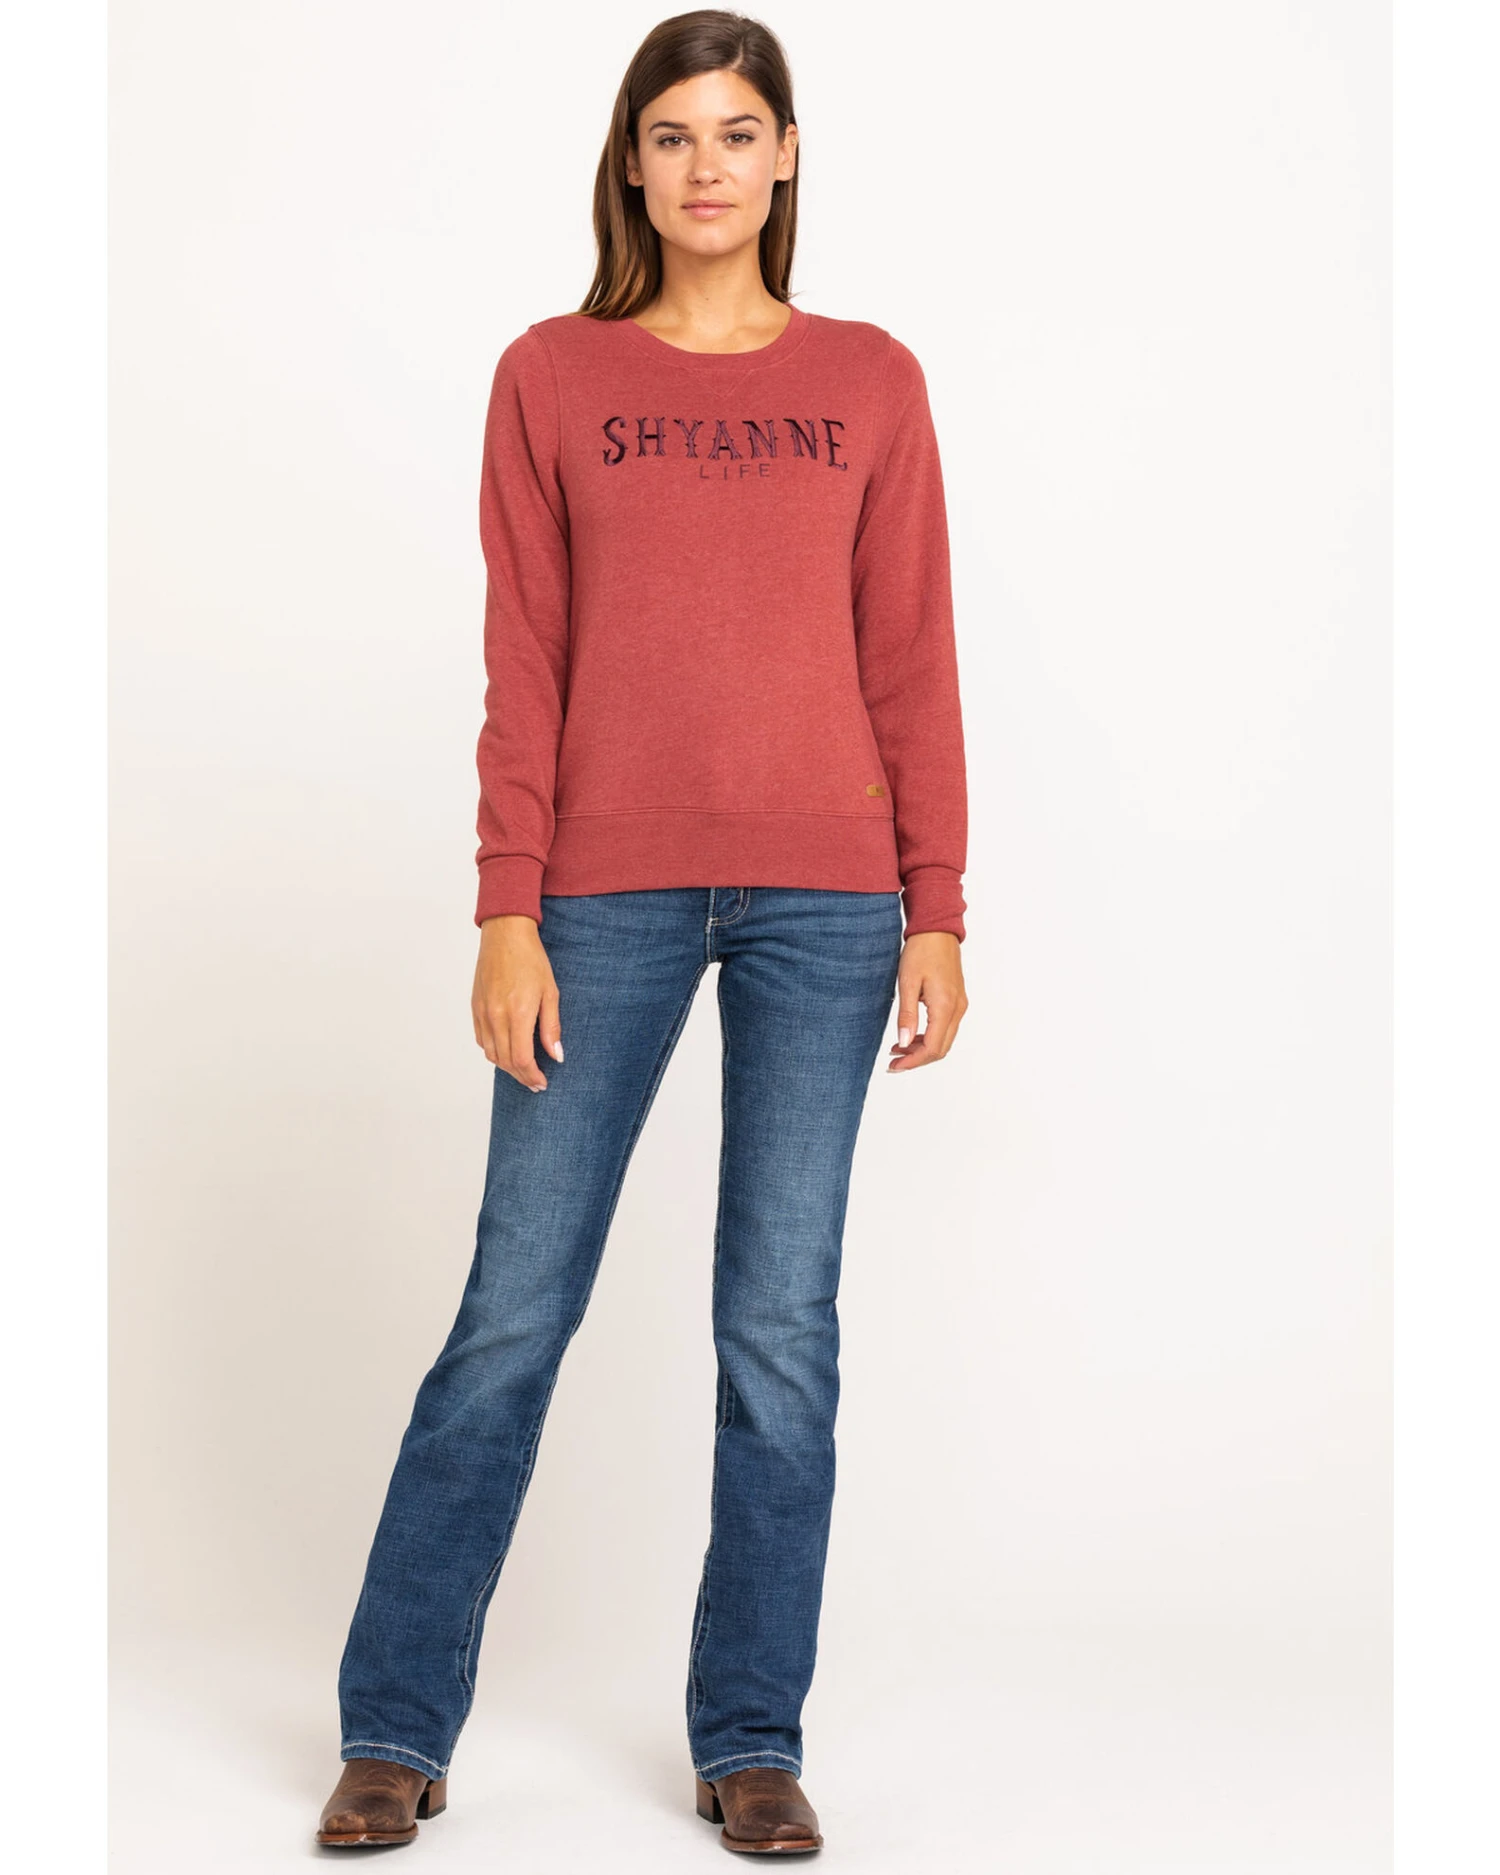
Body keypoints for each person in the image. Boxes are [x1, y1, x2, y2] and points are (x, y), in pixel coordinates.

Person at [316, 7, 969, 1853]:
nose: (706, 165)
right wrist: (504, 905)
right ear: (631, 162)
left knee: (780, 1327)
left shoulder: (871, 381)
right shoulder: (552, 376)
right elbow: (524, 657)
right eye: (673, 134)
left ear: (786, 157)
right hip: (598, 894)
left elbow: (911, 653)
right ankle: (395, 1722)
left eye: (738, 131)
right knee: (513, 1309)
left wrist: (936, 904)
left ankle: (751, 1734)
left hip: (830, 903)